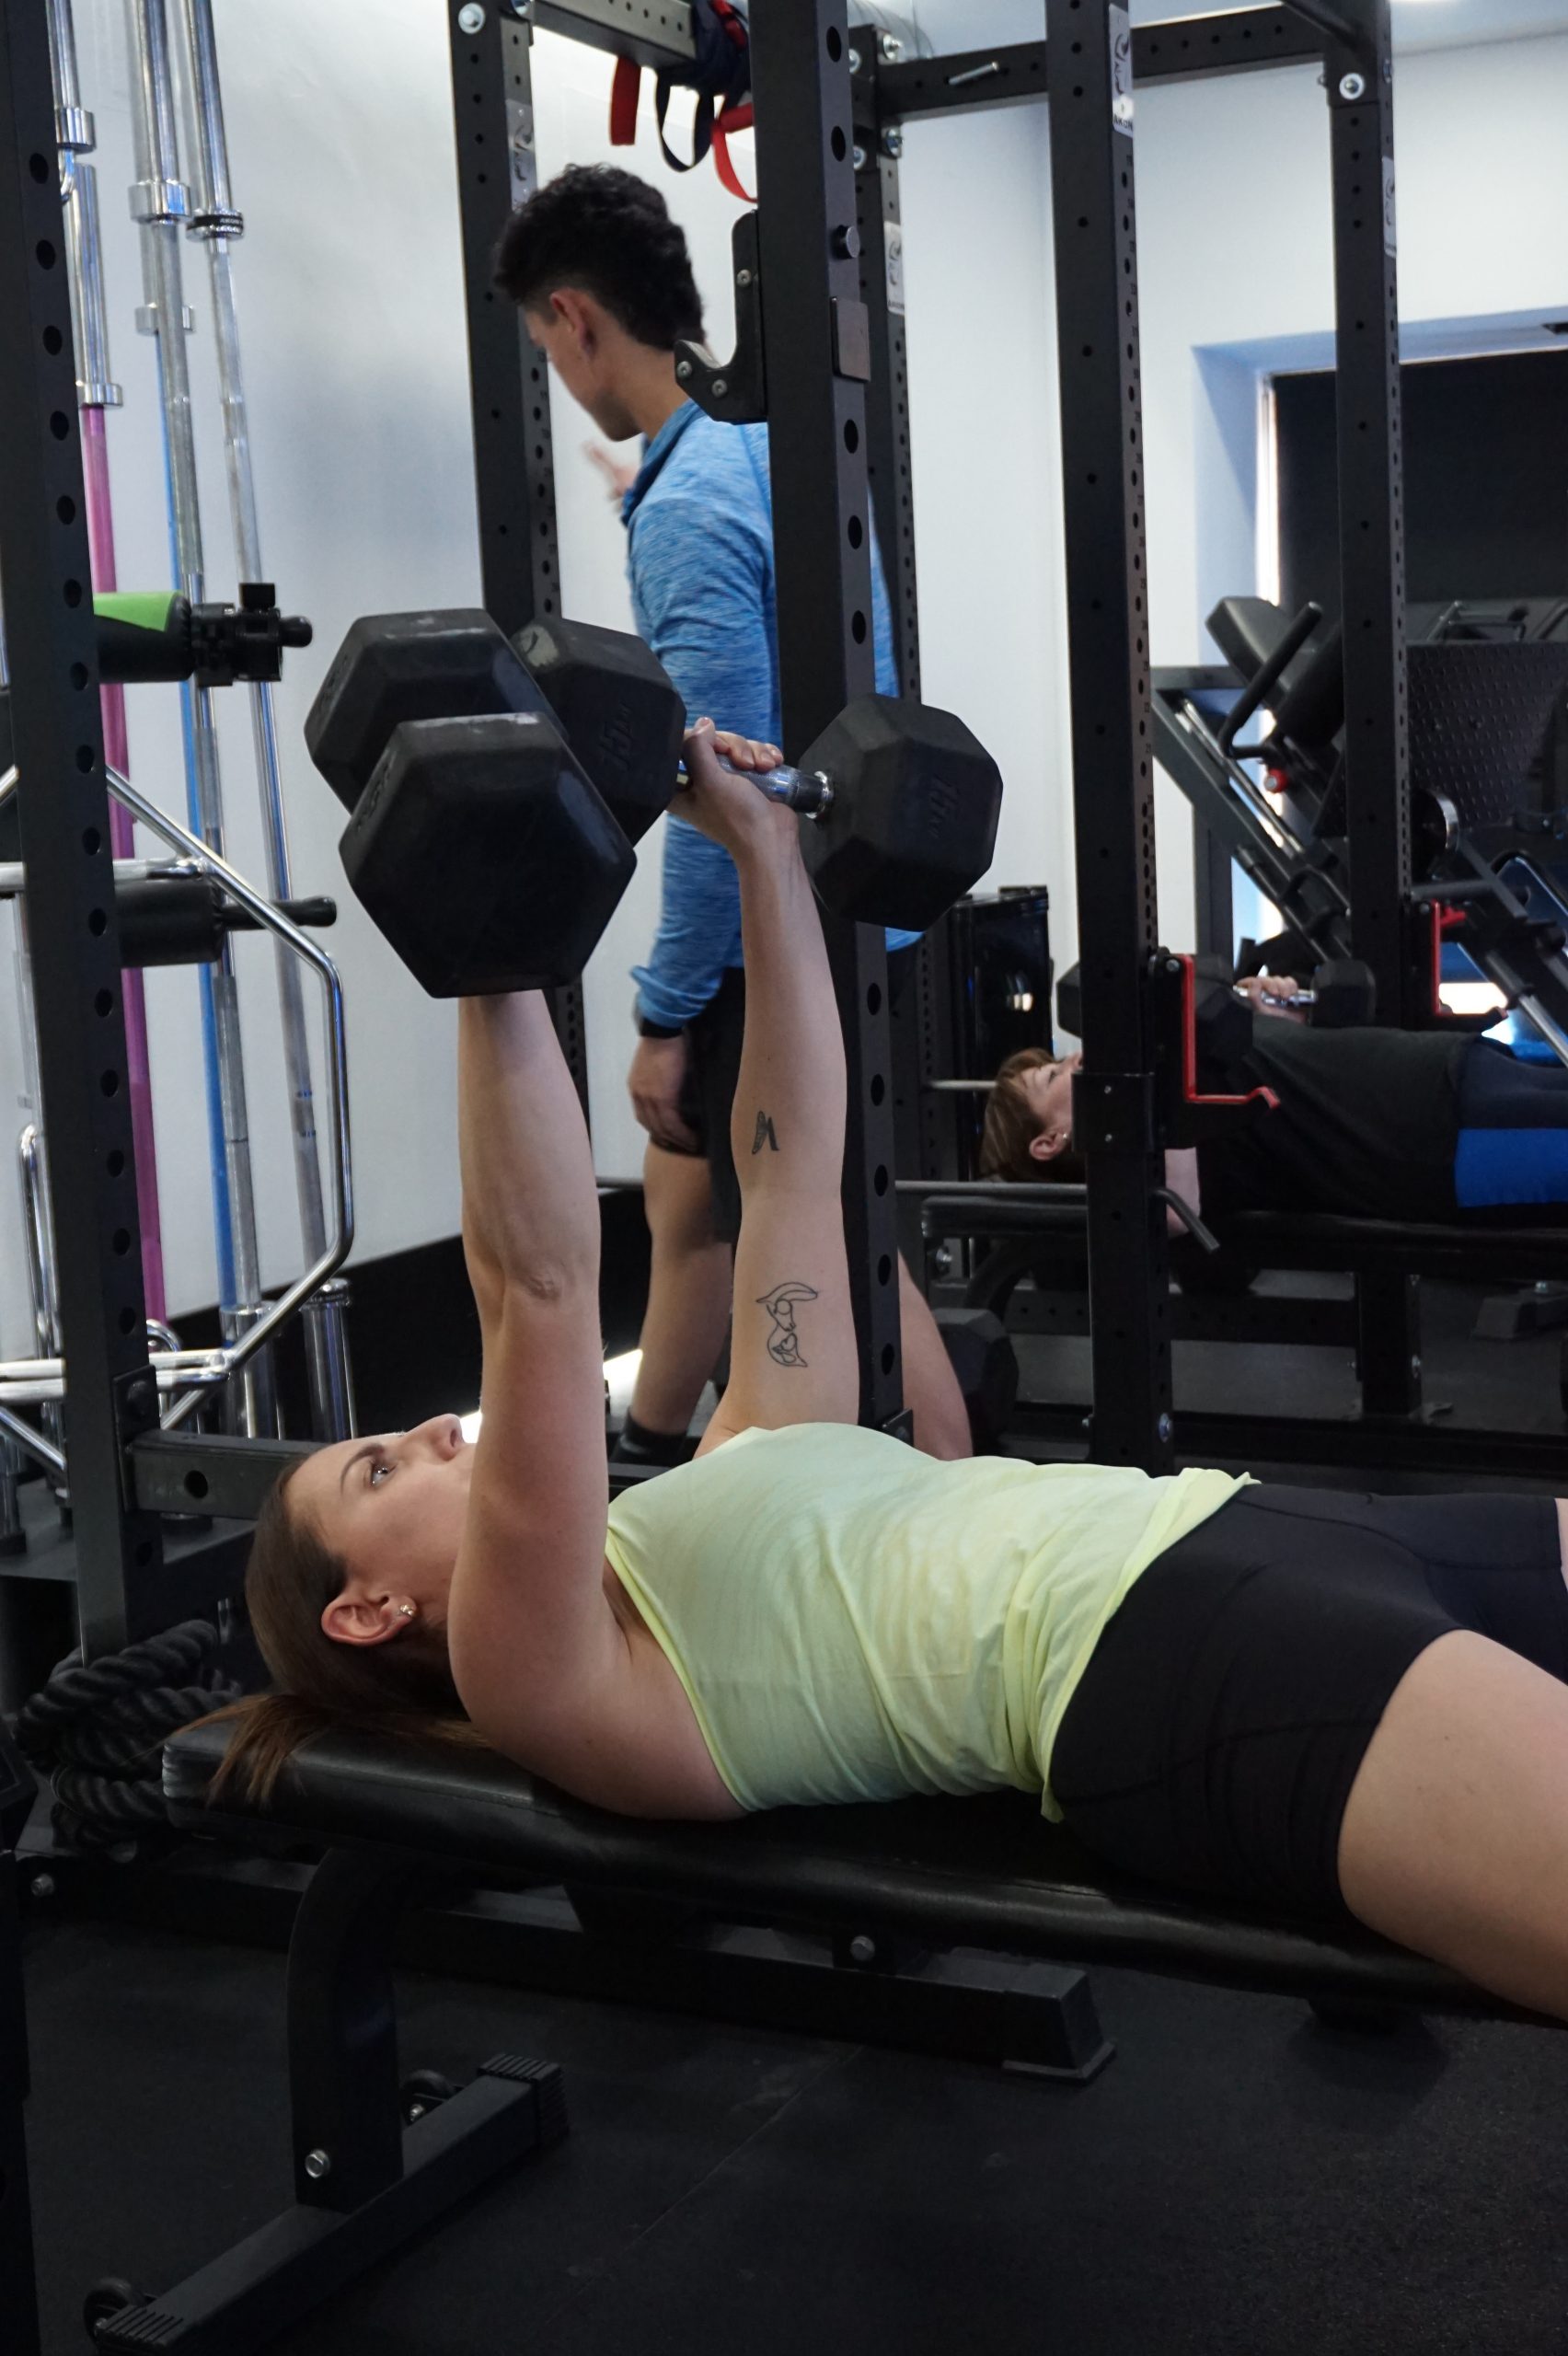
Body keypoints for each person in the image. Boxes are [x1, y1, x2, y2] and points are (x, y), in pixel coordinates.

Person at [222, 727, 1568, 2027]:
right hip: (1169, 1659)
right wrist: (491, 948)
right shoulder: (539, 1671)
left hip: (1259, 1524)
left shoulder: (746, 1442)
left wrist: (764, 858)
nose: (427, 1429)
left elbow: (789, 1165)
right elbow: (538, 1293)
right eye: (375, 1469)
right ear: (368, 1611)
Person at [493, 164, 971, 1464]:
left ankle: (952, 1495)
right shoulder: (756, 447)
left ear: (575, 318)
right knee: (726, 1204)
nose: (556, 369)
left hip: (777, 931)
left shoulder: (694, 500)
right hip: (862, 903)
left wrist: (664, 1014)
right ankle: (656, 1441)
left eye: (545, 341)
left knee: (807, 1239)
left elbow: (725, 786)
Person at [981, 971, 1568, 1224]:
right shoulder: (1149, 1164)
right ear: (1049, 1141)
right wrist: (1158, 1045)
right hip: (1437, 1140)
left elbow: (1295, 1069)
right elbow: (1174, 1212)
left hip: (1453, 1066)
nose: (1073, 1061)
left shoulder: (1165, 1073)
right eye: (1052, 1077)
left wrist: (1265, 1013)